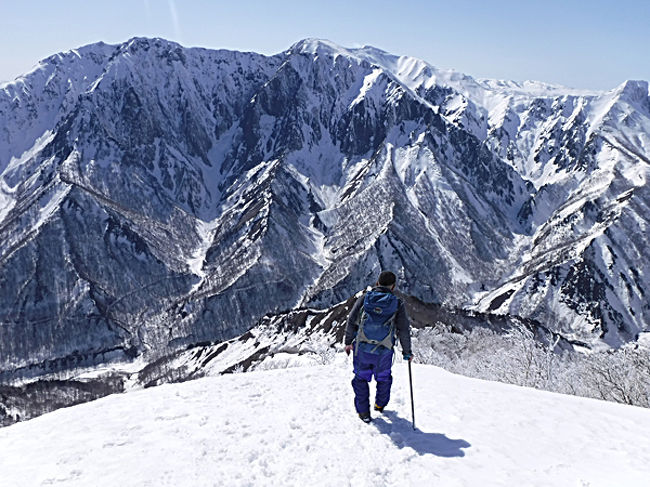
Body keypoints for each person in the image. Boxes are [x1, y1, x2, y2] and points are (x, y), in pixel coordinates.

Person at [344, 271, 412, 423]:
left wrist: (348, 342)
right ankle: (379, 405)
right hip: (384, 351)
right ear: (393, 286)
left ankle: (363, 413)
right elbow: (403, 330)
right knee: (384, 378)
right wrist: (407, 351)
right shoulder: (397, 303)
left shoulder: (364, 298)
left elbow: (351, 320)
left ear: (377, 283)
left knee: (360, 379)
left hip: (361, 349)